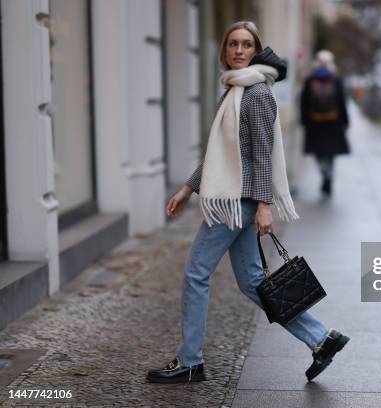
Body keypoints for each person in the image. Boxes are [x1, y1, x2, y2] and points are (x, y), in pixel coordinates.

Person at [146, 21, 349, 384]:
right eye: (233, 45)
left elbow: (260, 155)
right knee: (253, 281)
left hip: (235, 203)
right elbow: (220, 155)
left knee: (195, 276)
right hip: (234, 198)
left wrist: (264, 205)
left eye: (246, 45)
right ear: (224, 51)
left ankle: (191, 361)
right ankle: (321, 338)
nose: (239, 50)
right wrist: (188, 188)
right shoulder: (235, 89)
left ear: (255, 51)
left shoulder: (255, 93)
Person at [300, 50, 350, 196]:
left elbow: (303, 103)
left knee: (318, 152)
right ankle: (328, 176)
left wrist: (304, 121)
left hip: (314, 123)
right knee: (331, 153)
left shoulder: (310, 80)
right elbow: (342, 103)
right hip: (333, 123)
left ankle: (324, 172)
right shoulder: (336, 79)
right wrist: (345, 121)